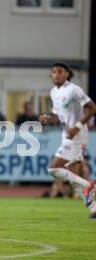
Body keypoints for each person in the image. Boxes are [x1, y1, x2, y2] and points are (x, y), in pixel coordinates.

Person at [39, 62, 96, 219]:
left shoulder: (74, 89)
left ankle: (89, 185)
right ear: (51, 75)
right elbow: (58, 114)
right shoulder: (53, 92)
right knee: (71, 173)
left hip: (77, 135)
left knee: (54, 168)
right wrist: (47, 118)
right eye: (54, 72)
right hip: (66, 135)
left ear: (67, 74)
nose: (57, 74)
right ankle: (93, 207)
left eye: (60, 71)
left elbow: (92, 108)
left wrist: (77, 127)